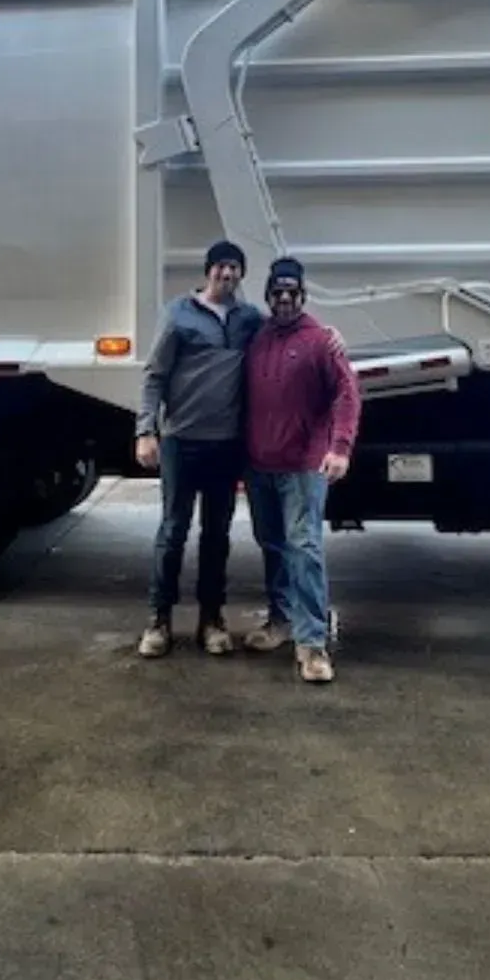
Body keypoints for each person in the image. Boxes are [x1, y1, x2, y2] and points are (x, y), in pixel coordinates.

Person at [134, 240, 265, 658]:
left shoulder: (248, 320)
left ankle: (211, 619)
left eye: (235, 269)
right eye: (221, 267)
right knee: (173, 532)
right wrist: (146, 430)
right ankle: (159, 619)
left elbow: (284, 332)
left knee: (217, 535)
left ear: (241, 275)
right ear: (208, 271)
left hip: (225, 445)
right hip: (180, 442)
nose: (227, 275)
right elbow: (154, 375)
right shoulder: (178, 314)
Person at [242, 256, 360, 684]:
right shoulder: (254, 337)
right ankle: (279, 622)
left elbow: (347, 395)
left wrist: (340, 448)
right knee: (271, 544)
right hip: (259, 465)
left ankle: (311, 644)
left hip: (304, 467)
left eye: (292, 293)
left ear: (303, 295)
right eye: (278, 293)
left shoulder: (321, 341)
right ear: (269, 296)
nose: (285, 299)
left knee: (304, 547)